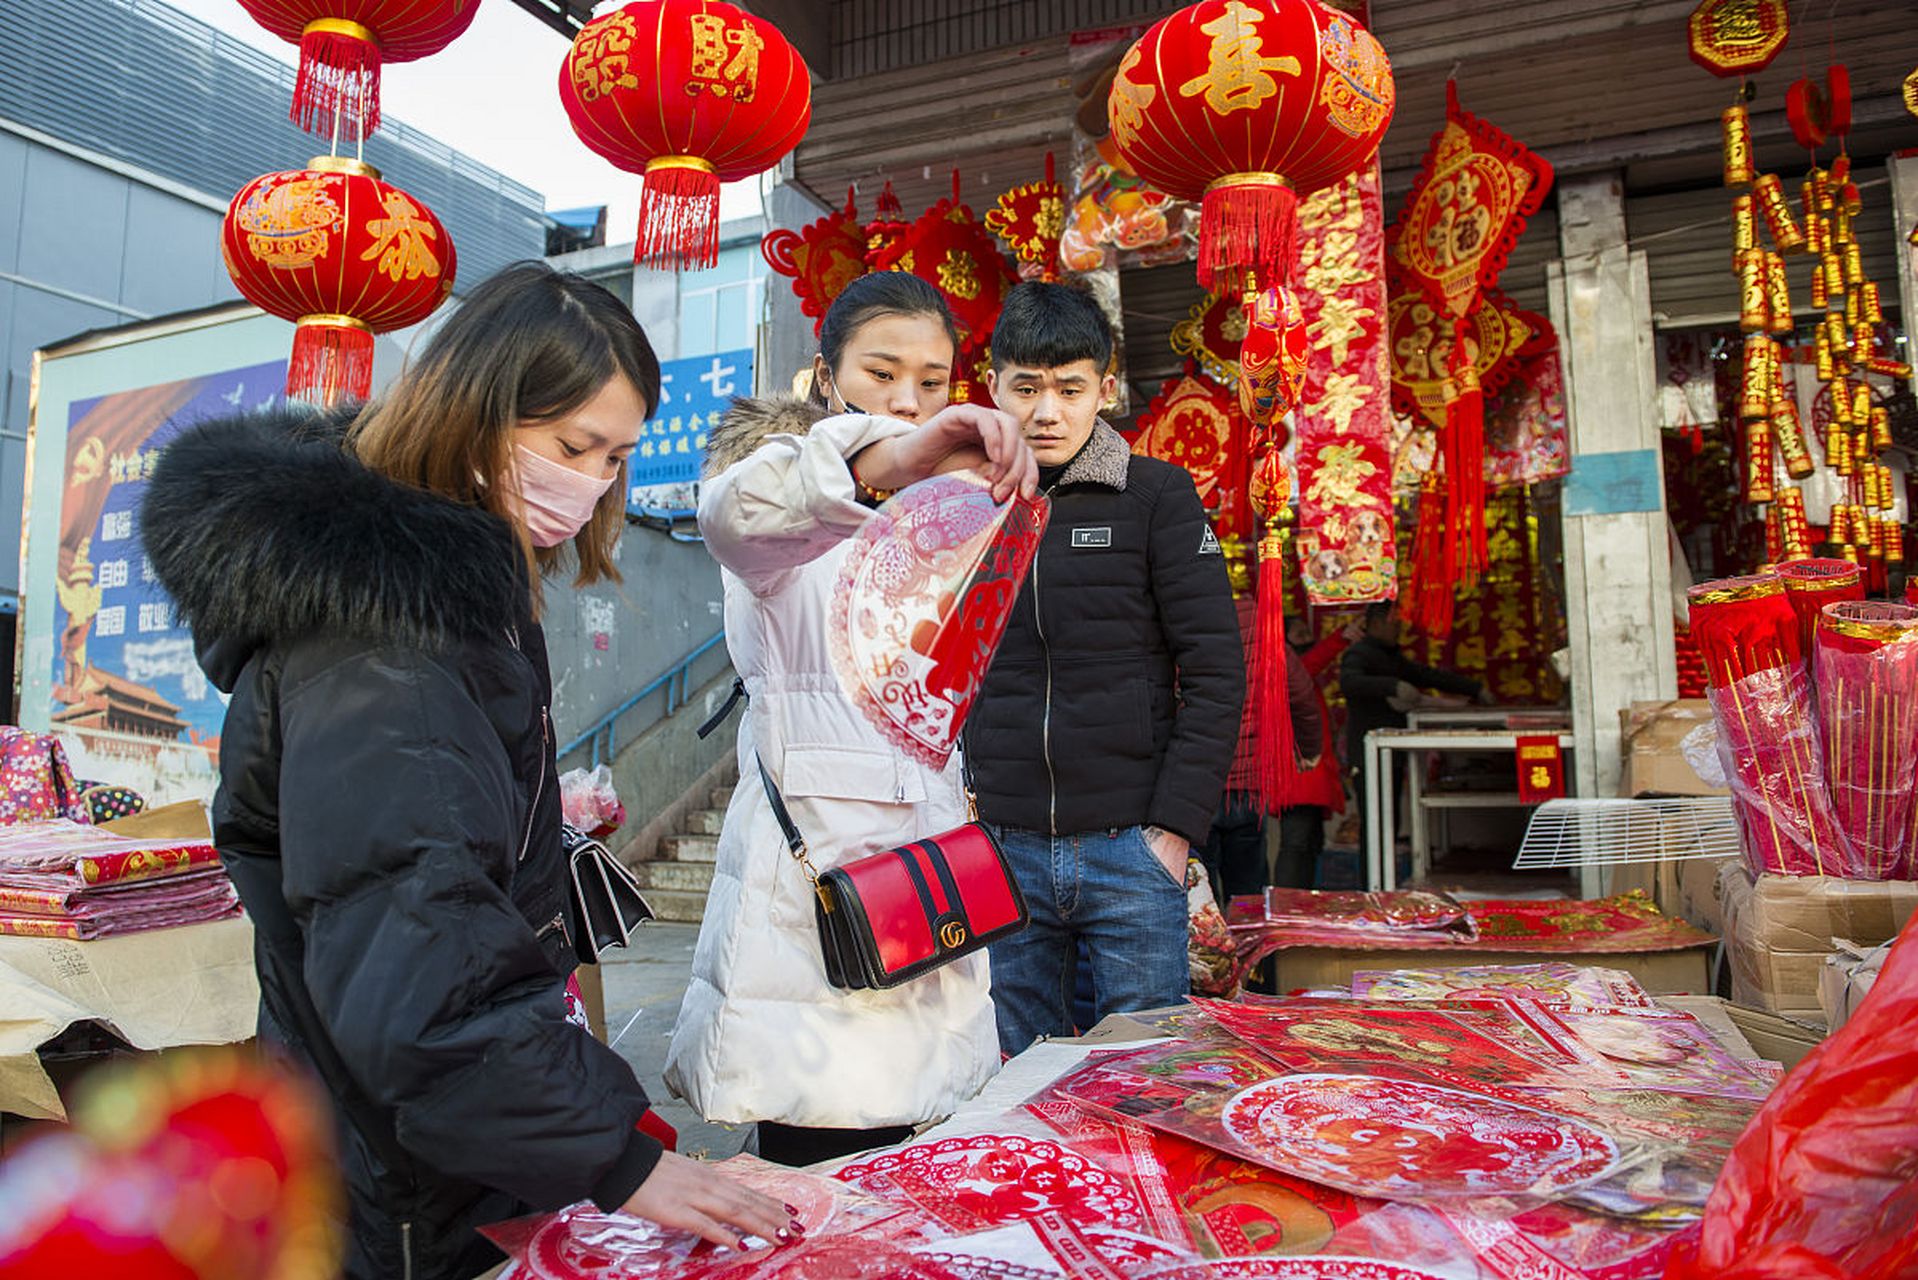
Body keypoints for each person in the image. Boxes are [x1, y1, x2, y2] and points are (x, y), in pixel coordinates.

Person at [142, 263, 794, 1280]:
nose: (593, 482)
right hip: (401, 1173)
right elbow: (423, 957)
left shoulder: (451, 596)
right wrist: (615, 1155)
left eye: (617, 456)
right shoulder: (383, 642)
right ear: (474, 410)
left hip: (415, 1143)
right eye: (575, 445)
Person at [664, 272, 1038, 1168]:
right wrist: (885, 459)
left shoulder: (955, 519)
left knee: (926, 1169)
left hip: (933, 879)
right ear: (827, 378)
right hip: (817, 895)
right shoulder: (794, 502)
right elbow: (731, 515)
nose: (909, 400)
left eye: (935, 381)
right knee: (817, 1174)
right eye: (881, 374)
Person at [966, 282, 1244, 1057]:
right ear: (992, 387)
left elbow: (1218, 672)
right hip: (1003, 847)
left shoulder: (1156, 497)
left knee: (1144, 1079)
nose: (1045, 411)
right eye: (1025, 387)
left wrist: (1175, 831)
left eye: (1069, 388)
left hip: (1131, 849)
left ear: (1106, 390)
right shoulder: (967, 503)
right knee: (1013, 1079)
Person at [1340, 600, 1493, 870]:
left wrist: (1474, 688)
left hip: (1392, 754)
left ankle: (1383, 885)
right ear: (1377, 623)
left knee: (1390, 822)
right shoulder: (1360, 654)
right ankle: (1371, 886)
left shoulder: (1391, 656)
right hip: (1369, 755)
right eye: (1395, 622)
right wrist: (1391, 686)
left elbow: (1427, 675)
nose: (1399, 627)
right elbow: (1350, 682)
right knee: (1375, 825)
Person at [1195, 600, 1326, 904]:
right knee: (1249, 893)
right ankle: (1256, 951)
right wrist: (1309, 749)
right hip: (1248, 785)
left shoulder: (1182, 613)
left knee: (1200, 897)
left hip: (1197, 784)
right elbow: (1301, 692)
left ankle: (1209, 952)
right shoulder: (1256, 619)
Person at [1269, 615, 1356, 889]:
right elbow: (1313, 661)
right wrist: (1342, 637)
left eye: (1308, 632)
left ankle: (1297, 904)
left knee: (1309, 844)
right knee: (1296, 845)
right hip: (1298, 776)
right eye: (1299, 634)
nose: (1307, 638)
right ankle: (1286, 906)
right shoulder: (1285, 669)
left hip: (1309, 776)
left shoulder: (1299, 676)